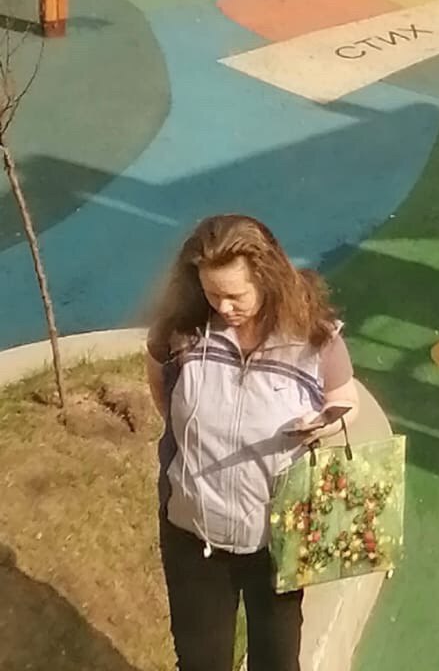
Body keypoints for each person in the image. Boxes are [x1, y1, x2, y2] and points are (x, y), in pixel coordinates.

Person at [146, 215, 358, 671]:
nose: (224, 307)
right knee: (200, 664)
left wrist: (324, 425)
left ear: (267, 277)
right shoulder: (182, 332)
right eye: (212, 293)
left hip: (278, 539)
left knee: (277, 662)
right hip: (194, 535)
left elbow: (345, 399)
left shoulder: (313, 337)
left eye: (236, 295)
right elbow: (161, 388)